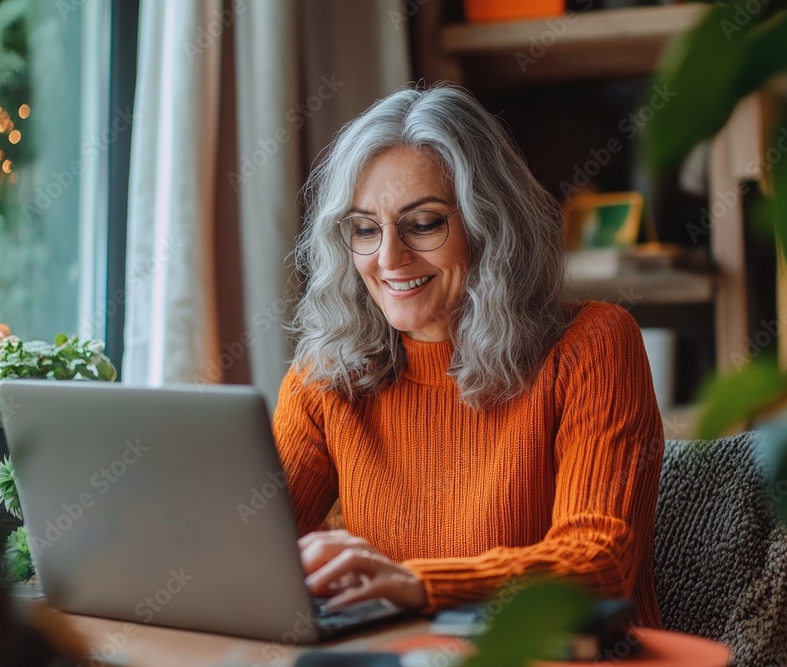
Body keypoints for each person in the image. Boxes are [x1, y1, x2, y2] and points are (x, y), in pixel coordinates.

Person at [271, 84, 664, 628]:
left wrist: (418, 585)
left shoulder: (592, 344)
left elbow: (600, 562)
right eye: (364, 229)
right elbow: (249, 554)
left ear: (491, 227)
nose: (388, 258)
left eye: (424, 223)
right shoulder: (326, 375)